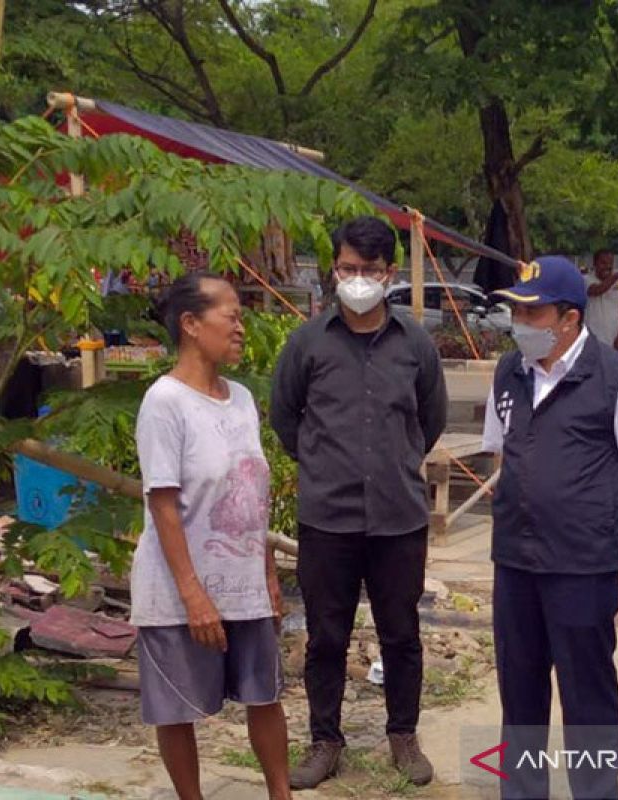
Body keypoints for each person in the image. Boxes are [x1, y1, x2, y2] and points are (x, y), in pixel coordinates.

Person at [270, 216, 447, 790]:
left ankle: (402, 736)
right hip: (328, 517)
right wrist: (326, 466)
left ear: (390, 274)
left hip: (399, 517)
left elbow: (431, 418)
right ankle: (325, 742)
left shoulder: (415, 344)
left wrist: (393, 462)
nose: (358, 279)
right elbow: (285, 418)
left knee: (401, 632)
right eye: (348, 268)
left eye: (370, 270)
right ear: (334, 268)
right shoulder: (308, 343)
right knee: (326, 636)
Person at [481, 256, 618, 799]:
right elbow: (501, 452)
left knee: (587, 697)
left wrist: (599, 520)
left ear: (569, 317)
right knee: (520, 694)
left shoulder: (616, 378)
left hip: (581, 567)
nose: (520, 322)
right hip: (514, 561)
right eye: (517, 309)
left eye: (532, 312)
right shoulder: (509, 371)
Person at [131, 272, 291, 800]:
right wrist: (193, 594)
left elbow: (251, 493)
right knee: (178, 710)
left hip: (243, 581)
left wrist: (266, 573)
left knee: (266, 695)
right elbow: (163, 504)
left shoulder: (241, 398)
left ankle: (281, 795)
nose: (241, 327)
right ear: (192, 324)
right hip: (181, 590)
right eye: (233, 315)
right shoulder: (164, 402)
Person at [584, 249, 618, 351]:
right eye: (603, 263)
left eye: (610, 263)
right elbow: (596, 290)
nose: (607, 266)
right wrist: (617, 276)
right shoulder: (586, 279)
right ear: (595, 263)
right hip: (591, 340)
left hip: (614, 340)